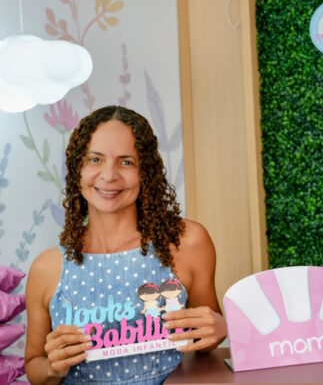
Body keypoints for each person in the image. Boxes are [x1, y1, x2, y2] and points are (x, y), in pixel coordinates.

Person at [25, 106, 227, 384]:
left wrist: (220, 329)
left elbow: (203, 342)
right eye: (95, 159)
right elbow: (34, 366)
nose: (109, 175)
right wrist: (52, 367)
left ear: (146, 172)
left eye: (126, 162)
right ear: (77, 169)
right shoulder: (46, 269)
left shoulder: (188, 243)